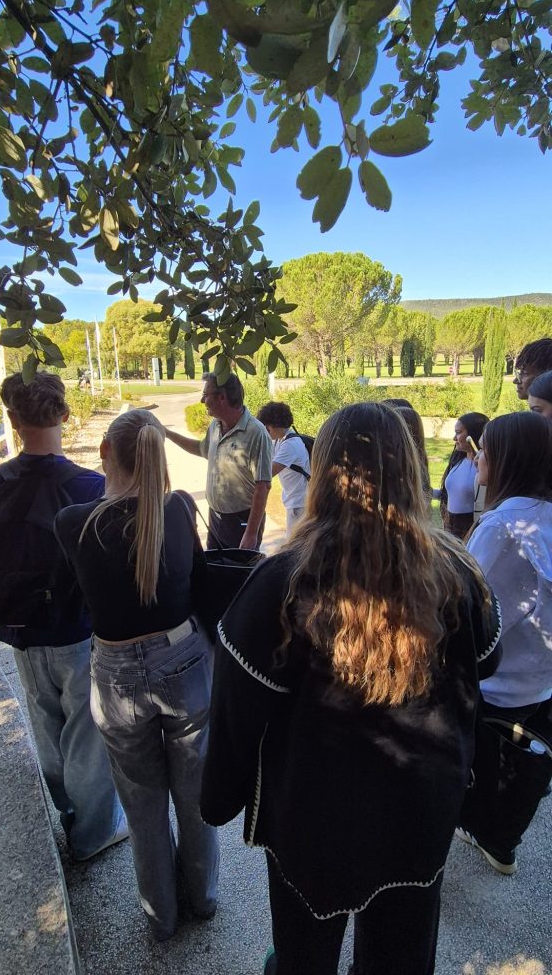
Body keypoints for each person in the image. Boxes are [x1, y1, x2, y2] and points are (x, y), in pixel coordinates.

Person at [201, 403, 501, 975]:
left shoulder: (282, 581)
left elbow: (237, 709)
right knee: (402, 956)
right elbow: (488, 662)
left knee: (303, 959)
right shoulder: (457, 575)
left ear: (325, 470)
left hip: (312, 818)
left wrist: (218, 798)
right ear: (409, 469)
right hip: (418, 807)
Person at [55, 409, 219, 941]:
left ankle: (161, 916)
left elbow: (74, 599)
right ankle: (204, 898)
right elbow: (195, 584)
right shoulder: (177, 507)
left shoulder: (73, 522)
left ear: (105, 451)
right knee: (194, 798)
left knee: (143, 806)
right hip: (185, 662)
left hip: (115, 673)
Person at [0, 372, 126, 861]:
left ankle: (64, 814)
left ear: (14, 421)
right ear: (64, 415)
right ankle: (92, 833)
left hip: (18, 629)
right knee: (86, 731)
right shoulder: (89, 485)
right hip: (77, 630)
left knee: (45, 724)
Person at [458, 411, 552, 875]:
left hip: (497, 684)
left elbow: (465, 604)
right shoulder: (546, 517)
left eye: (485, 454)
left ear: (506, 460)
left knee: (486, 768)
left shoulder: (501, 526)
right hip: (540, 681)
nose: (478, 463)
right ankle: (502, 836)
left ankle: (485, 833)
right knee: (523, 766)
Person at [164, 372, 272, 550]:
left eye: (205, 395)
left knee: (238, 573)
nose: (201, 401)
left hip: (241, 521)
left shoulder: (256, 433)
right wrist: (168, 434)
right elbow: (201, 449)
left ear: (222, 397)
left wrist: (251, 534)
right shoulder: (215, 425)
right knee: (214, 571)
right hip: (215, 518)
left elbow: (263, 487)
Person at [257, 401, 309, 534]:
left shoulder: (291, 445)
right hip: (293, 501)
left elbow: (267, 473)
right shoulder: (281, 440)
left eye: (267, 428)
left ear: (274, 426)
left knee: (294, 546)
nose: (266, 432)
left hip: (300, 504)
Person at [439, 412, 488, 539]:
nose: (454, 438)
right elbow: (449, 495)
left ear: (473, 434)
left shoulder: (485, 467)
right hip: (450, 527)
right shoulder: (457, 461)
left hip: (472, 529)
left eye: (458, 432)